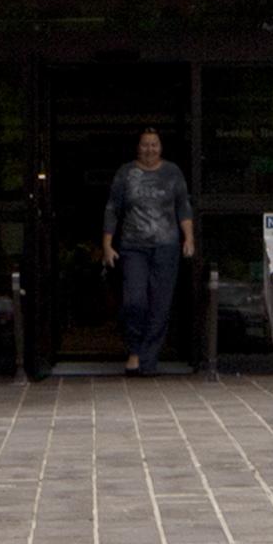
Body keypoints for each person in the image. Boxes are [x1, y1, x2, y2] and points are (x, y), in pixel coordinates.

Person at [103, 127, 198, 374]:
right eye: (145, 144)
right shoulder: (126, 173)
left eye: (154, 144)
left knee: (160, 305)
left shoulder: (172, 172)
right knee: (134, 300)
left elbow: (183, 207)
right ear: (138, 147)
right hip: (134, 246)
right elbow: (113, 208)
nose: (149, 149)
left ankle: (147, 359)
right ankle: (134, 349)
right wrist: (107, 244)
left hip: (166, 247)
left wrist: (189, 238)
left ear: (161, 147)